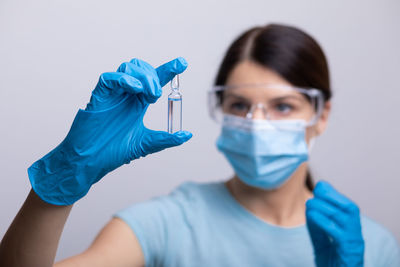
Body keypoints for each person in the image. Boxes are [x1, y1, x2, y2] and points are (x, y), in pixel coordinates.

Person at [0, 23, 399, 267]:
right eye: (240, 105)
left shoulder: (370, 247)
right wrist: (63, 177)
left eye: (282, 105)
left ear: (321, 114)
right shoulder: (169, 223)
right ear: (220, 109)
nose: (257, 124)